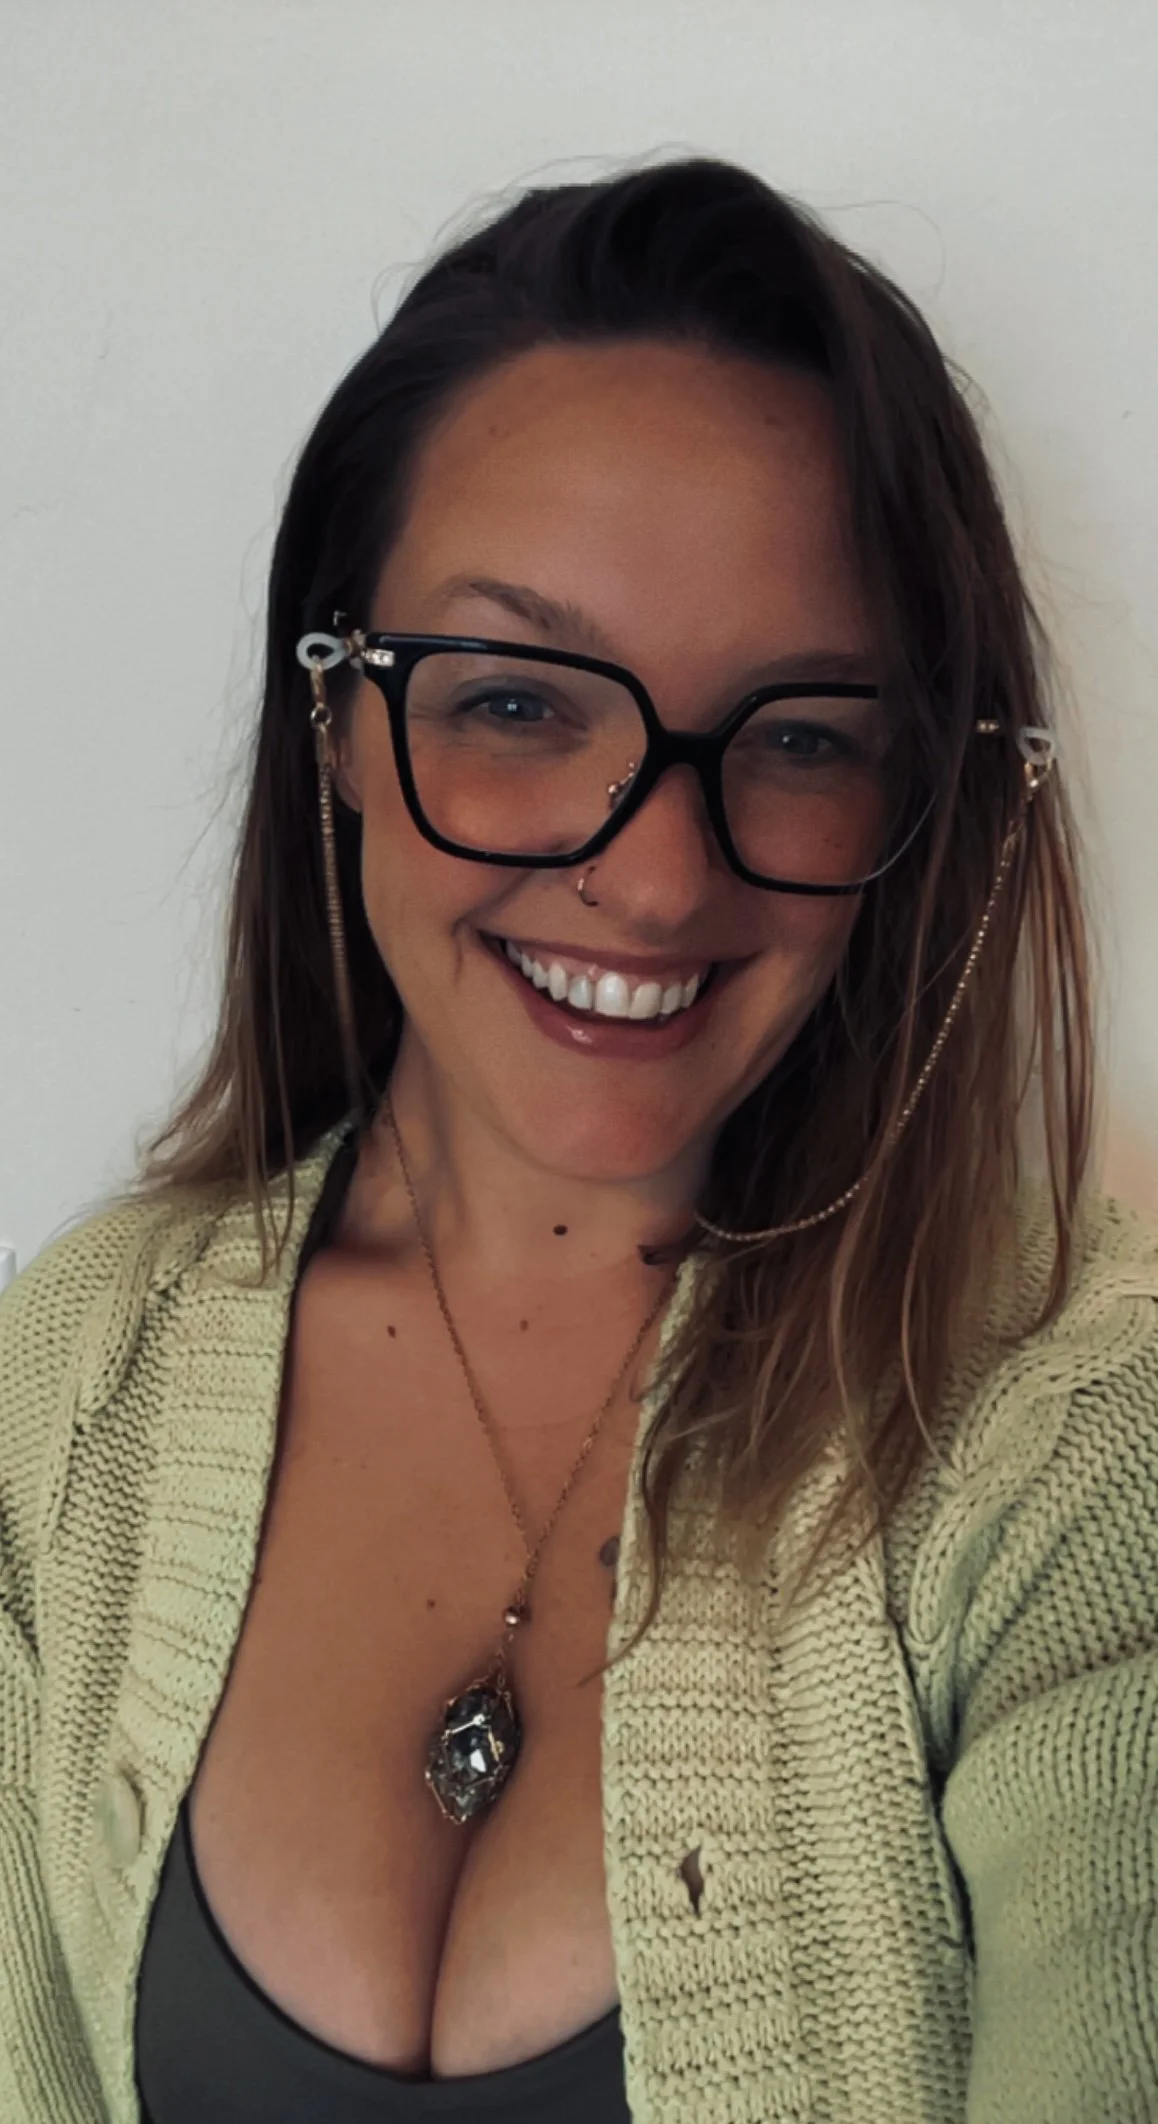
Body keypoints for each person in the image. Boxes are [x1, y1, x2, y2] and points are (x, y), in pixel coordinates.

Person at [1, 156, 1154, 2124]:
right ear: (339, 720)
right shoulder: (75, 1383)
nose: (651, 876)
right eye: (519, 698)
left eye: (800, 733)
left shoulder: (1077, 1456)